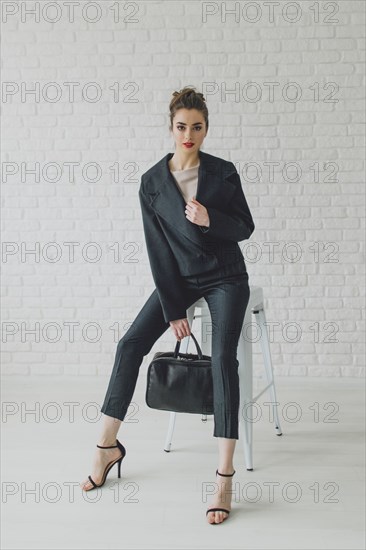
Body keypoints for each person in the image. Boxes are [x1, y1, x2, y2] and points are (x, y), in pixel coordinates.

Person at [80, 87, 255, 525]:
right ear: (170, 128)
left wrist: (211, 219)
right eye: (181, 127)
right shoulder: (152, 183)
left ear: (206, 128)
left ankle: (224, 474)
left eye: (197, 127)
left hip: (226, 276)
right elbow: (158, 250)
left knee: (222, 361)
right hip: (179, 279)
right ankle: (106, 446)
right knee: (129, 344)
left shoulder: (223, 172)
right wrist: (174, 307)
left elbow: (245, 227)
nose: (189, 134)